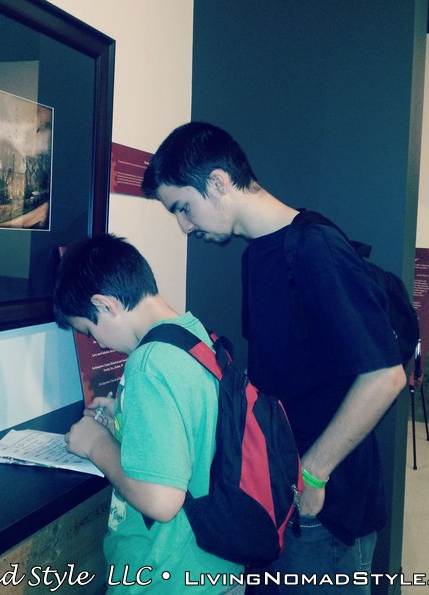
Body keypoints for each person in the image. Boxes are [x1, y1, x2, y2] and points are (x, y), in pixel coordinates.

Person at [140, 122, 406, 593]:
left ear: (218, 182)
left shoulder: (316, 247)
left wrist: (313, 474)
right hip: (279, 494)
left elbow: (385, 376)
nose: (184, 226)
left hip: (326, 507)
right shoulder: (256, 256)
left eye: (183, 207)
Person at [55, 233, 244, 594]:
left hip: (167, 578)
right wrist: (127, 414)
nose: (97, 342)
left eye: (89, 330)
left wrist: (97, 444)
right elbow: (193, 422)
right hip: (214, 570)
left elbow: (161, 502)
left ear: (105, 304)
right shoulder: (193, 334)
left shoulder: (148, 364)